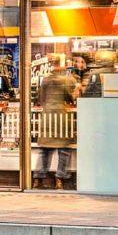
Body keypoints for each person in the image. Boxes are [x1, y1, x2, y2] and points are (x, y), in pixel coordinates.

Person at [34, 57, 79, 190]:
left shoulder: (45, 80)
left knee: (45, 151)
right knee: (64, 150)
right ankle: (59, 179)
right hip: (60, 117)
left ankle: (38, 179)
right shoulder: (67, 79)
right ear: (62, 66)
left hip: (47, 116)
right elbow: (71, 98)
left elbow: (40, 98)